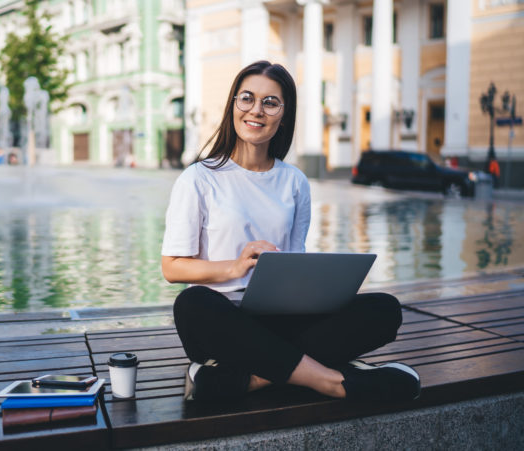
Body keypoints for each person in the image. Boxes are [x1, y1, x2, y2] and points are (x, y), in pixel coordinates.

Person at [161, 61, 420, 403]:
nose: (256, 110)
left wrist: (314, 289)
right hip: (222, 321)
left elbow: (293, 258)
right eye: (247, 99)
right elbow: (172, 267)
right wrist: (234, 267)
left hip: (280, 321)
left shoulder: (294, 181)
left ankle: (238, 381)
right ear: (233, 105)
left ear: (283, 115)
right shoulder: (199, 178)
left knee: (385, 310)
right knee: (191, 303)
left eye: (270, 103)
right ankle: (332, 381)